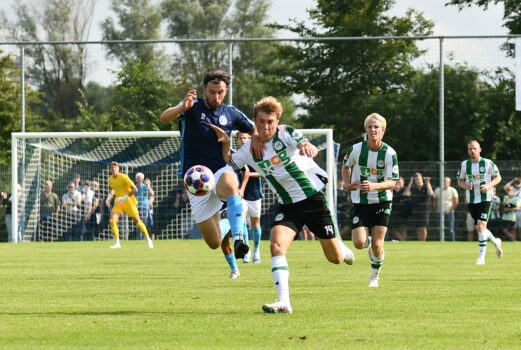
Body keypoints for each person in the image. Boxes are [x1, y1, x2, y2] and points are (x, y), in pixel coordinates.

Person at [212, 96, 355, 313]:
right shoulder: (250, 148)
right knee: (276, 244)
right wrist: (226, 143)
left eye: (270, 121)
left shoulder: (285, 132)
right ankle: (284, 302)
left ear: (277, 121)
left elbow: (301, 141)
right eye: (261, 121)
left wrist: (308, 146)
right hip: (288, 206)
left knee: (334, 258)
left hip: (312, 200)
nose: (266, 126)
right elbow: (232, 162)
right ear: (255, 121)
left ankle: (341, 248)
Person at [159, 69, 261, 277]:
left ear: (226, 91)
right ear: (204, 89)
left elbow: (254, 131)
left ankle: (239, 238)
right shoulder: (191, 108)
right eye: (212, 92)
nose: (216, 97)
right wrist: (181, 107)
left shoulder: (231, 113)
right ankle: (233, 222)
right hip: (195, 180)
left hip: (219, 170)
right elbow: (163, 117)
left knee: (232, 186)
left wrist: (255, 141)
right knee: (214, 243)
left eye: (220, 92)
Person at [342, 112, 399, 288]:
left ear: (383, 131)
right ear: (366, 130)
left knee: (377, 243)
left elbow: (393, 182)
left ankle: (374, 277)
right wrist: (347, 183)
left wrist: (374, 186)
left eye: (377, 127)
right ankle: (370, 247)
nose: (373, 130)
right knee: (359, 243)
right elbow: (346, 166)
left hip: (382, 201)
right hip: (361, 201)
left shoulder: (389, 153)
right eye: (370, 127)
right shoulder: (356, 150)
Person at [457, 139, 503, 265]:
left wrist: (489, 186)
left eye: (474, 148)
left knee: (482, 226)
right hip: (472, 200)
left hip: (485, 199)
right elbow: (460, 181)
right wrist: (467, 186)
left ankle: (481, 258)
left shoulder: (488, 163)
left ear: (480, 149)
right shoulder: (464, 165)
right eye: (470, 149)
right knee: (480, 228)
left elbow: (498, 177)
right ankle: (495, 241)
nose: (472, 151)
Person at [107, 161, 154, 249]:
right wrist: (109, 197)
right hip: (118, 202)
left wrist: (124, 197)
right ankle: (117, 243)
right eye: (112, 168)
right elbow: (112, 189)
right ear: (110, 170)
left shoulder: (124, 177)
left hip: (128, 201)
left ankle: (148, 239)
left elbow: (135, 189)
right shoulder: (110, 179)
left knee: (137, 221)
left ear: (118, 169)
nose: (113, 169)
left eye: (115, 167)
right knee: (112, 221)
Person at [236, 131, 264, 264]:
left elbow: (264, 172)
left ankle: (257, 250)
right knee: (241, 224)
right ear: (237, 140)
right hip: (239, 194)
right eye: (240, 138)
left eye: (245, 138)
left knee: (255, 223)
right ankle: (246, 252)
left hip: (254, 193)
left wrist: (248, 175)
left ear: (250, 139)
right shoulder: (235, 155)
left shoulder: (257, 153)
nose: (243, 140)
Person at [404, 172, 433, 241]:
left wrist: (428, 182)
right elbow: (406, 194)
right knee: (418, 227)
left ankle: (423, 241)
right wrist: (410, 183)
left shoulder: (426, 186)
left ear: (422, 179)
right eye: (415, 180)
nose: (417, 181)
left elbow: (431, 193)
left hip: (425, 211)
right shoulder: (414, 188)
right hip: (416, 210)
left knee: (423, 227)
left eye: (418, 179)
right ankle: (420, 241)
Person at [432, 177, 459, 241]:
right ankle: (440, 241)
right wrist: (436, 209)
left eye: (446, 181)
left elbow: (456, 202)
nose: (445, 183)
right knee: (439, 228)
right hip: (439, 212)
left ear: (449, 183)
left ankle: (452, 242)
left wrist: (451, 209)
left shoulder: (453, 190)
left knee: (451, 229)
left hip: (449, 212)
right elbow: (434, 201)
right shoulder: (437, 190)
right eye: (443, 181)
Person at [388, 177, 410, 241]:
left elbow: (406, 194)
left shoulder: (405, 190)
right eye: (397, 182)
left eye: (400, 182)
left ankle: (403, 241)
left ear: (403, 183)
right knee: (392, 229)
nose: (398, 184)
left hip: (403, 214)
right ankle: (401, 240)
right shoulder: (391, 190)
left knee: (403, 230)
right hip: (393, 214)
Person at [134, 172, 151, 240]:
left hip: (144, 206)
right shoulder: (134, 186)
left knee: (145, 221)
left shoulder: (145, 186)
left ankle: (144, 237)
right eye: (138, 178)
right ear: (136, 179)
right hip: (137, 206)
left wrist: (148, 186)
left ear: (142, 178)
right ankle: (139, 238)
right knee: (138, 222)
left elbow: (152, 193)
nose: (139, 179)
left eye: (140, 178)